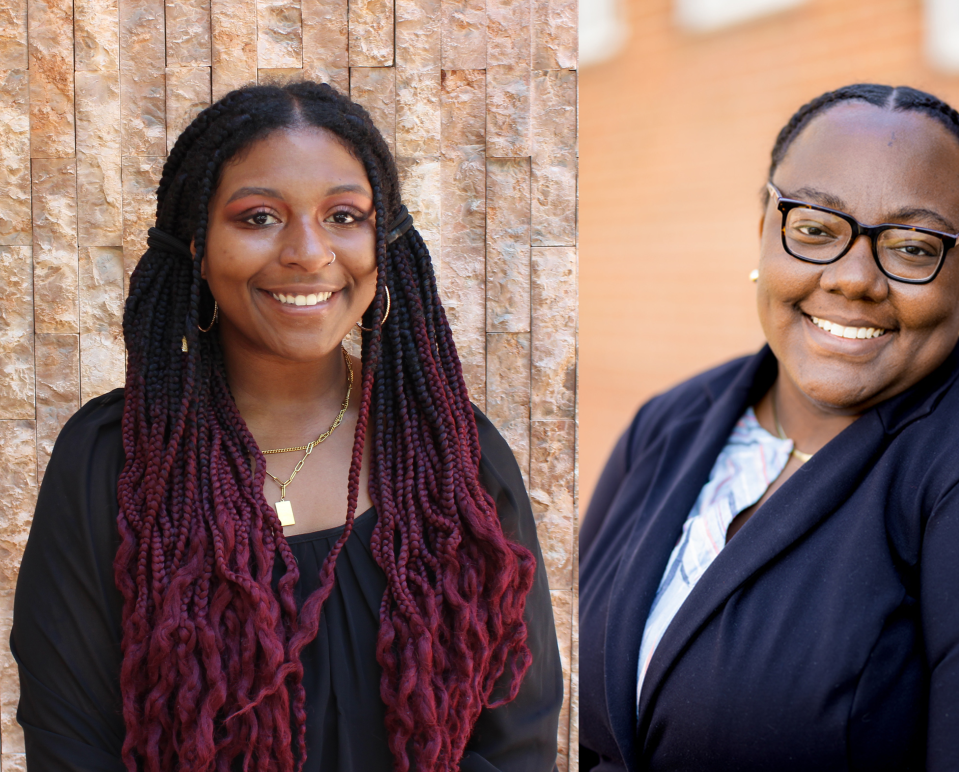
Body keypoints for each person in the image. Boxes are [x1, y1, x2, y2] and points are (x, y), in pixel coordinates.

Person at [577, 84, 959, 771]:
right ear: (764, 226)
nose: (853, 279)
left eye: (912, 247)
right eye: (815, 228)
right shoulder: (669, 424)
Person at [13, 81, 562, 772]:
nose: (308, 251)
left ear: (384, 241)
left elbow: (520, 736)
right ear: (198, 246)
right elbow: (71, 745)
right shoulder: (112, 464)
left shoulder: (454, 456)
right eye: (259, 217)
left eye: (343, 216)